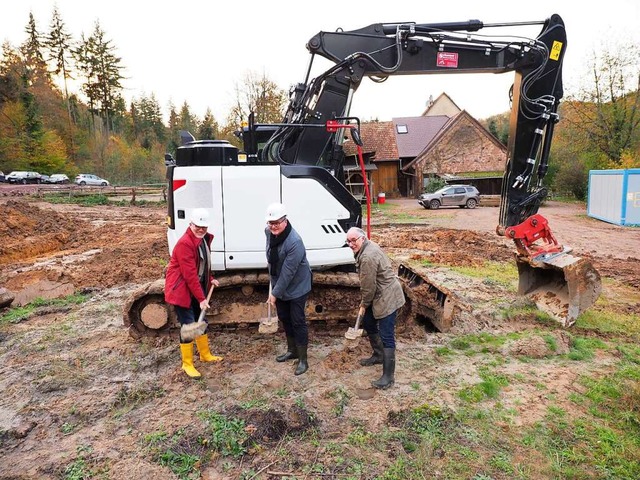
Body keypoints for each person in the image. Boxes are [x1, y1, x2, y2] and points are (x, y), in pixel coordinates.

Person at [165, 208, 223, 379]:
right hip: (181, 290)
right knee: (189, 326)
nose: (201, 229)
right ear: (190, 224)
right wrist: (202, 298)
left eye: (204, 227)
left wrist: (210, 278)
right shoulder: (185, 243)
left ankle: (205, 355)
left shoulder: (203, 239)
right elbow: (190, 275)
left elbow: (203, 264)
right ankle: (187, 364)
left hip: (194, 287)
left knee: (201, 321)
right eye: (198, 226)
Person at [346, 227, 405, 389]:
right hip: (379, 293)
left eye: (354, 241)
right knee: (370, 322)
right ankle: (378, 355)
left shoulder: (367, 258)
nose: (351, 244)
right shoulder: (367, 246)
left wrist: (364, 304)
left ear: (362, 239)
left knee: (387, 335)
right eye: (348, 241)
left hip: (387, 296)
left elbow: (368, 287)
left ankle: (388, 377)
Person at [265, 202, 312, 376]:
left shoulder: (295, 242)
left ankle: (303, 359)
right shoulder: (268, 232)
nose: (273, 226)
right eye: (270, 223)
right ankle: (292, 351)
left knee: (297, 320)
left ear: (285, 221)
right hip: (280, 284)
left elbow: (288, 272)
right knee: (284, 317)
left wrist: (274, 293)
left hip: (297, 286)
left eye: (277, 223)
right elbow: (272, 258)